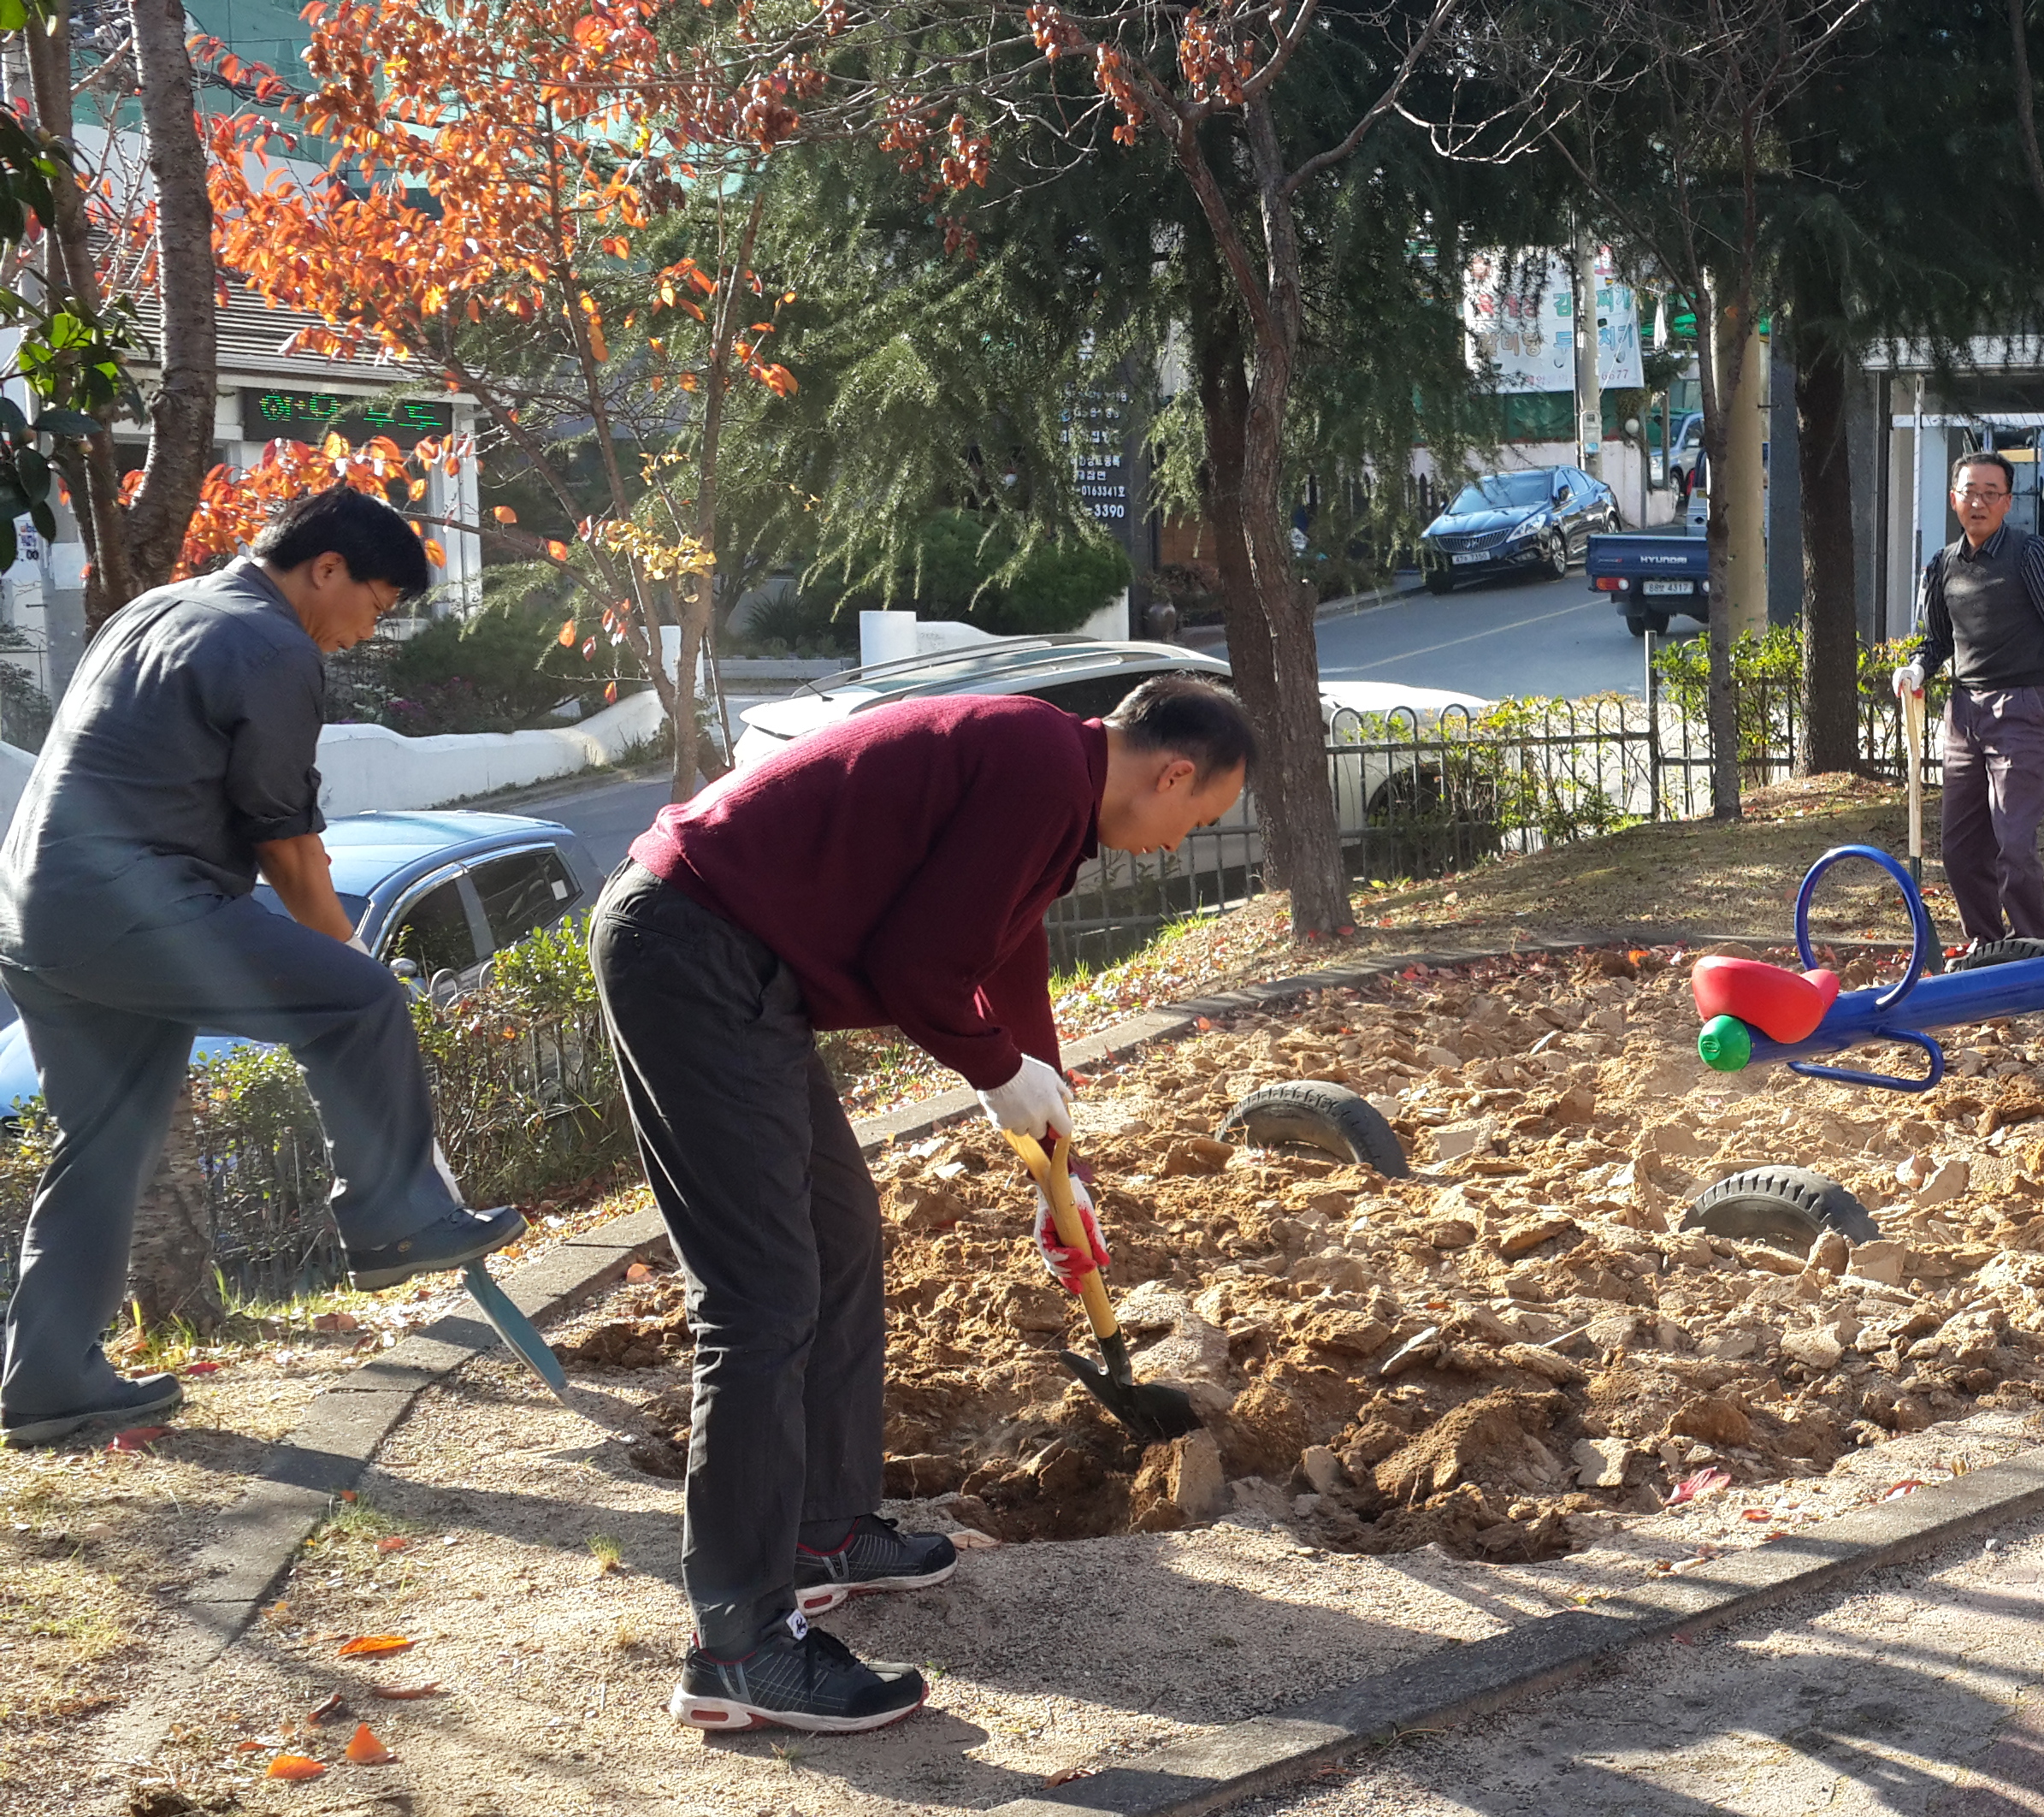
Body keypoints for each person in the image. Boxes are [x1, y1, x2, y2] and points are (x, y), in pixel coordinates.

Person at [594, 676, 1251, 1735]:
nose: (1183, 842)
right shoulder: (1038, 767)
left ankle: (819, 1532)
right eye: (1200, 817)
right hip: (694, 948)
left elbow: (1001, 949)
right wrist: (997, 1074)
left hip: (735, 962)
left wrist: (1051, 1141)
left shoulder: (1055, 782)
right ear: (1175, 771)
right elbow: (918, 966)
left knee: (839, 1240)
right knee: (760, 1301)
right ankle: (740, 1645)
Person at [0, 487, 523, 1449]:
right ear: (325, 568)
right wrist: (348, 965)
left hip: (36, 911)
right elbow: (287, 846)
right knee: (360, 1000)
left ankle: (48, 1378)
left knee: (106, 1142)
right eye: (375, 603)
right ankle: (395, 1220)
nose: (366, 632)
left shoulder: (161, 608)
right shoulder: (271, 646)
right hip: (133, 905)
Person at [1889, 452, 2044, 959]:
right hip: (1962, 715)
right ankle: (1987, 944)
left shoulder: (2029, 554)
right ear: (1952, 497)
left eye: (1990, 493)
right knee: (1959, 851)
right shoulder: (1941, 565)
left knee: (2013, 842)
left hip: (2022, 710)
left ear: (2007, 501)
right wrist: (1916, 668)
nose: (1977, 502)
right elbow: (1935, 641)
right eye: (1968, 491)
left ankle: (2031, 945)